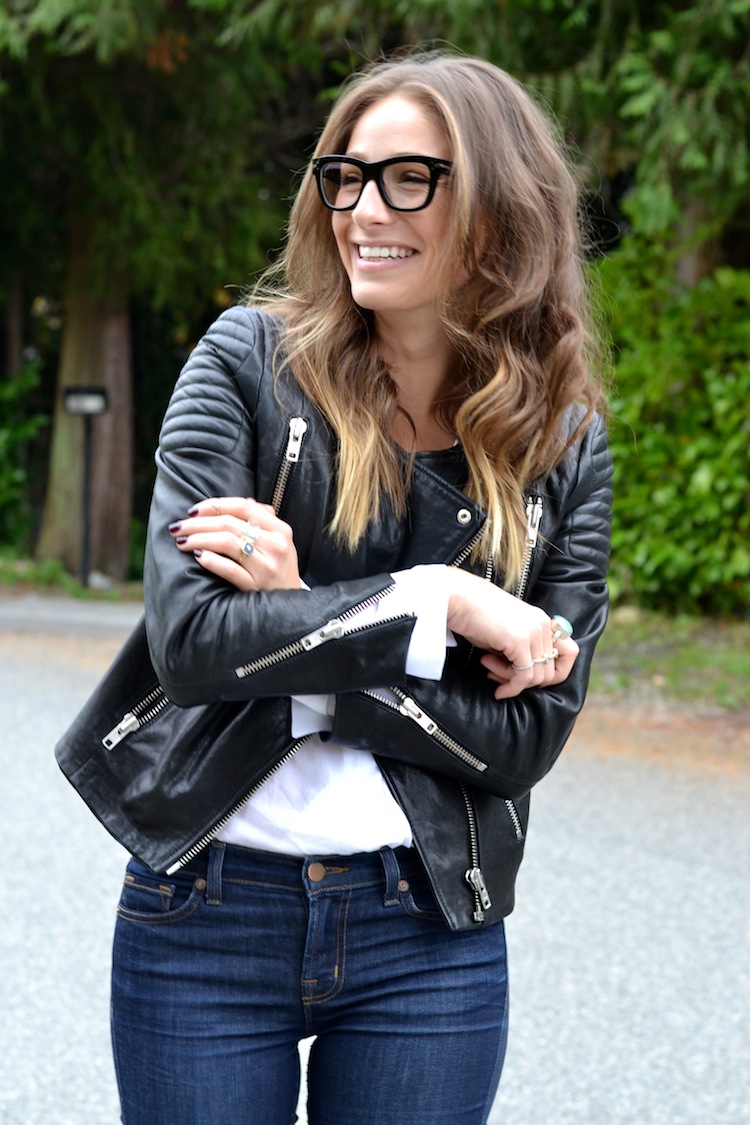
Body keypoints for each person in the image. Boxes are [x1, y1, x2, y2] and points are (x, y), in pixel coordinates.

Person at [106, 49, 612, 1124]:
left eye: (408, 178)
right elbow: (194, 645)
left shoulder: (563, 444)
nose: (362, 209)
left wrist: (300, 620)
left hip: (427, 927)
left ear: (499, 208)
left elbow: (523, 739)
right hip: (206, 909)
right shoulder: (245, 362)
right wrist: (441, 603)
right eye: (345, 175)